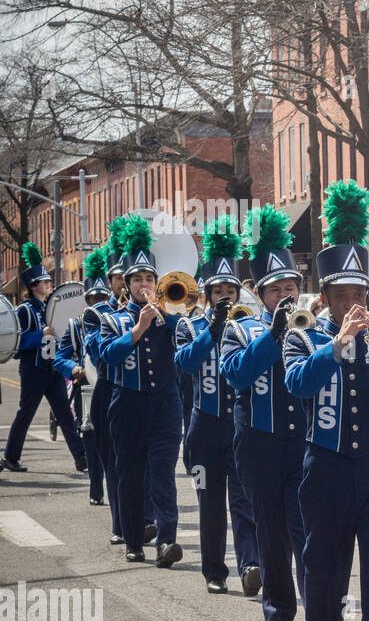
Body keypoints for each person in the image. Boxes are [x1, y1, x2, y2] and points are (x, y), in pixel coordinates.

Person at [283, 180, 369, 621]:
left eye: (360, 294)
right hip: (326, 468)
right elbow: (297, 384)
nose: (354, 304)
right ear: (324, 297)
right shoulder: (302, 335)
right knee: (326, 569)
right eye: (343, 296)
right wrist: (335, 346)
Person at [220, 205, 307, 621]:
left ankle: (321, 609)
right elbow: (235, 374)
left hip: (303, 442)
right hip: (257, 440)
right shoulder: (241, 328)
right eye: (276, 291)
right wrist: (274, 334)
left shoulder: (312, 326)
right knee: (271, 531)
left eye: (290, 287)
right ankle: (277, 608)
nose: (285, 297)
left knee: (305, 526)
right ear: (261, 294)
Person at [174, 216, 261, 597]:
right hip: (203, 428)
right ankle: (214, 570)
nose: (225, 295)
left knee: (244, 500)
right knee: (210, 503)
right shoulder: (189, 326)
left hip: (239, 427)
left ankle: (251, 564)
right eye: (218, 290)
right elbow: (185, 364)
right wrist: (212, 331)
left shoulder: (248, 325)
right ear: (207, 294)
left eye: (231, 288)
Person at [97, 218, 184, 566]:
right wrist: (139, 328)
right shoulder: (113, 319)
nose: (144, 284)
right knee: (130, 473)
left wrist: (168, 314)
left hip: (166, 403)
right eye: (138, 280)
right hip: (127, 404)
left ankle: (167, 541)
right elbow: (107, 356)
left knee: (163, 471)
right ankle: (134, 539)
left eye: (149, 279)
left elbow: (188, 341)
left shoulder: (172, 314)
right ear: (127, 285)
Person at [2, 242, 87, 474]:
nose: (50, 284)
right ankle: (10, 456)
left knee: (65, 415)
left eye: (50, 281)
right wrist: (41, 335)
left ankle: (81, 457)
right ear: (33, 286)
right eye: (45, 282)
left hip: (53, 369)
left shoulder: (51, 307)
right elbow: (18, 342)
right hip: (33, 369)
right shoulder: (25, 310)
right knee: (25, 413)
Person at [53, 250, 111, 505]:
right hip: (87, 388)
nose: (98, 301)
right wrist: (73, 368)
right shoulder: (76, 325)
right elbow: (59, 357)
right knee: (90, 437)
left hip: (112, 385)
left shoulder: (116, 320)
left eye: (102, 297)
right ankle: (96, 489)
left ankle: (118, 489)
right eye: (94, 297)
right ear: (86, 299)